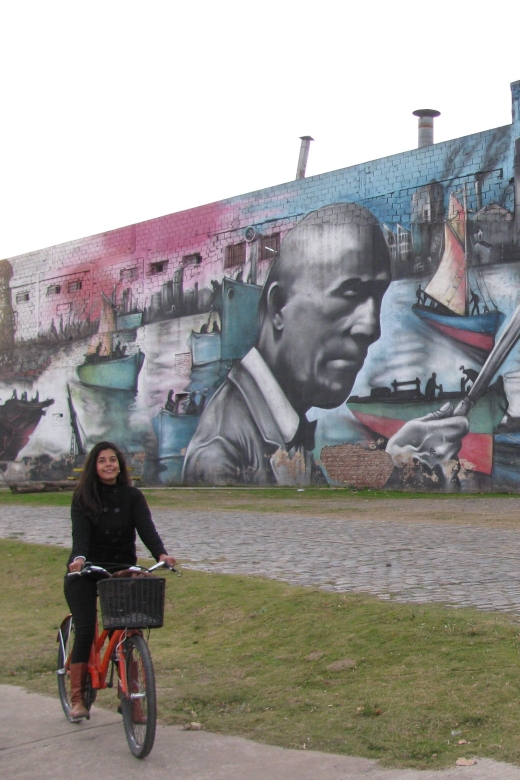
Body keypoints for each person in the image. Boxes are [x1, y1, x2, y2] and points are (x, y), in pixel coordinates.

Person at [183, 202, 469, 487]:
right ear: (279, 305)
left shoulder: (276, 427)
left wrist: (393, 465)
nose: (372, 328)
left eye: (377, 299)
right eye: (350, 293)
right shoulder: (219, 458)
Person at [64, 441, 176, 721]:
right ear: (94, 467)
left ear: (120, 465)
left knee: (129, 628)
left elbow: (146, 529)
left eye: (113, 460)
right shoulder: (83, 498)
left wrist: (161, 553)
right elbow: (80, 536)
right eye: (102, 461)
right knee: (87, 628)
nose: (109, 465)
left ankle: (132, 700)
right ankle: (78, 697)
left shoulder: (133, 496)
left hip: (121, 568)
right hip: (87, 569)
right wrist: (78, 558)